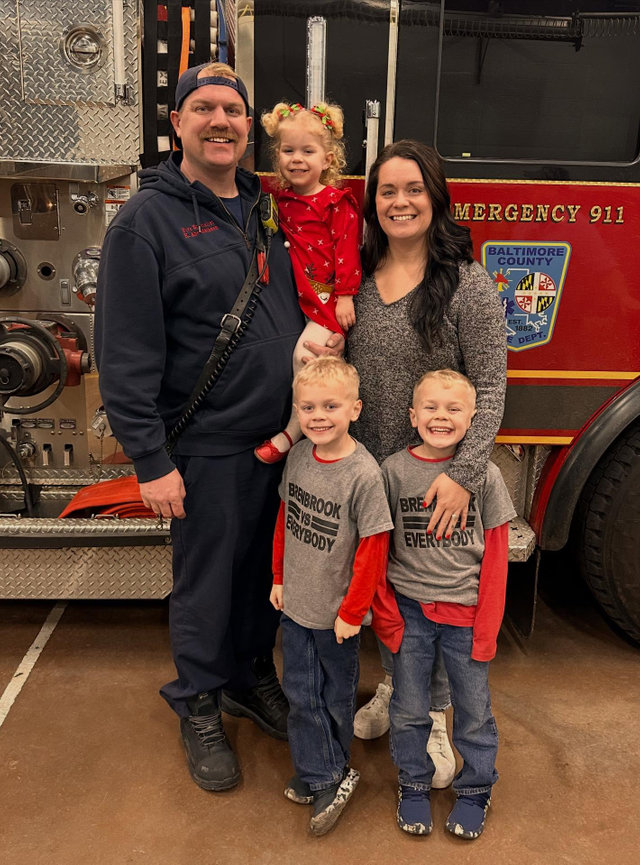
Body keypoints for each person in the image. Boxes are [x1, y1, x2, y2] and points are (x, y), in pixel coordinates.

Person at [94, 62, 310, 792]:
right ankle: (198, 700)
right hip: (206, 446)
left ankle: (248, 676)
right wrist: (151, 460)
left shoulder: (265, 206)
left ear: (249, 127)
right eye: (205, 108)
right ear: (178, 123)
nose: (221, 121)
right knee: (206, 585)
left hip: (281, 442)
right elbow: (124, 354)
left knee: (261, 574)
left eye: (234, 111)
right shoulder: (144, 223)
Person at [345, 140, 508, 784]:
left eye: (414, 189)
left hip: (436, 483)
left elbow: (490, 386)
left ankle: (435, 715)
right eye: (387, 191)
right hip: (373, 477)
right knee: (389, 590)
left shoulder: (468, 284)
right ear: (373, 203)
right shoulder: (356, 280)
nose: (400, 202)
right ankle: (397, 688)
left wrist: (462, 477)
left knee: (433, 598)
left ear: (436, 199)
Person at [382, 369, 515, 839]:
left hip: (466, 617)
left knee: (474, 712)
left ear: (473, 419)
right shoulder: (393, 471)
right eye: (431, 408)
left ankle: (476, 790)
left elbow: (497, 556)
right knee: (408, 708)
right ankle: (413, 783)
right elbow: (378, 546)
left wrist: (487, 627)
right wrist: (386, 613)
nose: (441, 417)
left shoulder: (486, 476)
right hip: (409, 613)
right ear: (412, 416)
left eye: (454, 409)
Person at [269, 357, 394, 835]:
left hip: (337, 616)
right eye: (307, 408)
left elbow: (373, 550)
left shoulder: (364, 474)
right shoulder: (299, 457)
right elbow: (285, 520)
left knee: (334, 696)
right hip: (296, 607)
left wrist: (353, 611)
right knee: (301, 693)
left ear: (354, 409)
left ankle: (331, 770)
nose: (318, 416)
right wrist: (279, 578)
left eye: (330, 406)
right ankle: (321, 772)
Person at [254, 101, 361, 464]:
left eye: (307, 151)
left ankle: (293, 431)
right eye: (288, 151)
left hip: (323, 298)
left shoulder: (336, 202)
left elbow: (347, 249)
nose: (296, 159)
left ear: (327, 160)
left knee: (304, 356)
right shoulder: (278, 200)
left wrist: (345, 296)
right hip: (290, 296)